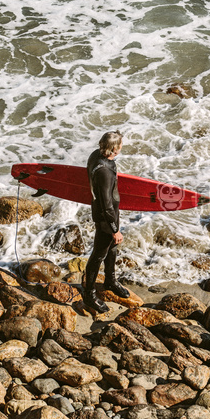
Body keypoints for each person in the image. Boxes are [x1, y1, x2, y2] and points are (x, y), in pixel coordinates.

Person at [83, 131, 130, 313]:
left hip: (109, 214)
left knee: (112, 248)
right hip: (105, 217)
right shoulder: (104, 172)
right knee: (98, 255)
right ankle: (89, 293)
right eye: (120, 145)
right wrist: (114, 229)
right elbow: (106, 205)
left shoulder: (96, 155)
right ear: (115, 149)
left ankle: (110, 281)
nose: (121, 147)